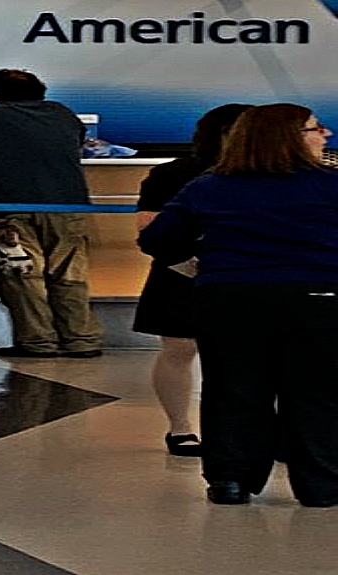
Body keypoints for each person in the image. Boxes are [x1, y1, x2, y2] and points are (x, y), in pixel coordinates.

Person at [138, 103, 338, 506]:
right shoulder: (330, 185)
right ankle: (320, 485)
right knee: (316, 391)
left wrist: (196, 264)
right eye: (316, 129)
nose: (326, 135)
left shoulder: (211, 185)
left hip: (229, 297)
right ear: (289, 138)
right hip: (318, 297)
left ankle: (230, 479)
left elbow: (156, 238)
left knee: (232, 388)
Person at [0, 69, 102, 358]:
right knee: (69, 274)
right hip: (67, 205)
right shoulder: (62, 113)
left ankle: (38, 342)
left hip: (8, 206)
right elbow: (77, 144)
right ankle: (81, 340)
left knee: (21, 274)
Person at [133, 103, 252, 457]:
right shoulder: (173, 174)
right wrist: (187, 262)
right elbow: (150, 227)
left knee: (246, 354)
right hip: (181, 272)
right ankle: (180, 427)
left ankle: (246, 429)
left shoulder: (267, 173)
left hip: (241, 275)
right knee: (180, 348)